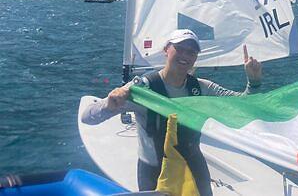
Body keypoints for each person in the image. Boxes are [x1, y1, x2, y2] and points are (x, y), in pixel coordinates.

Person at [81, 29, 262, 195]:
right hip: (154, 173)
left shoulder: (202, 88)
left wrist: (253, 82)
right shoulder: (142, 89)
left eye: (191, 52)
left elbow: (244, 106)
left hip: (194, 170)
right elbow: (87, 117)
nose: (185, 55)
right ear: (166, 49)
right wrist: (110, 105)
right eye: (180, 48)